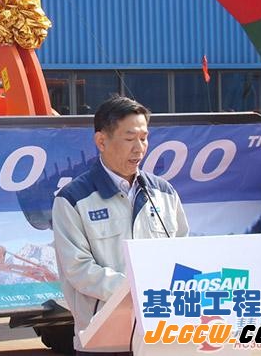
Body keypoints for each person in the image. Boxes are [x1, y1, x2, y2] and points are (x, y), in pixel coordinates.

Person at [52, 96, 189, 355]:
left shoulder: (164, 193)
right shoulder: (73, 199)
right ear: (101, 141)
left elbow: (183, 253)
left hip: (159, 336)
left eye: (144, 138)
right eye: (129, 139)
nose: (139, 148)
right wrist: (136, 291)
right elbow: (78, 269)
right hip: (104, 340)